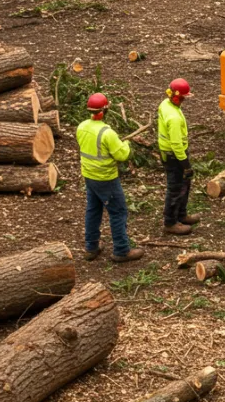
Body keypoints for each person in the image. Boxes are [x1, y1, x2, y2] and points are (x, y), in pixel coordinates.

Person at [77, 92, 143, 264]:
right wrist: (127, 144)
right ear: (105, 110)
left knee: (93, 210)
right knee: (118, 212)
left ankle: (91, 247)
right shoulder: (107, 133)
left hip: (89, 176)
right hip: (106, 178)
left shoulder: (82, 126)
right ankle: (121, 250)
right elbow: (122, 155)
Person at [158, 77, 200, 235]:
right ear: (176, 97)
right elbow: (176, 144)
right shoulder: (173, 118)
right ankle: (170, 222)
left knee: (184, 185)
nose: (183, 100)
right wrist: (185, 164)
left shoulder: (165, 103)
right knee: (175, 188)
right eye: (182, 98)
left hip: (172, 154)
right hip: (174, 156)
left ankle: (181, 215)